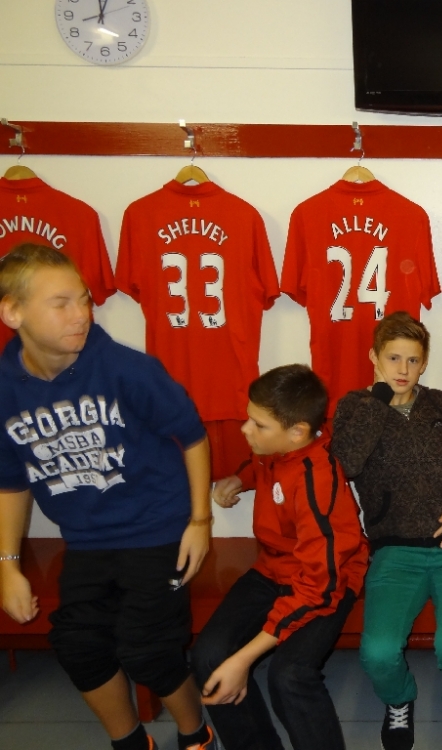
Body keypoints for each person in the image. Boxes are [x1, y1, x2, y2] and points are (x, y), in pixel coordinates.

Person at [0, 244, 215, 750]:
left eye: (84, 299)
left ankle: (196, 733)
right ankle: (130, 742)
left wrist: (199, 521)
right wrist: (7, 564)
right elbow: (11, 481)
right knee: (76, 645)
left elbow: (191, 435)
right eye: (61, 303)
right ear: (12, 312)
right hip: (87, 542)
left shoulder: (126, 368)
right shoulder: (5, 390)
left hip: (157, 530)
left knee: (148, 650)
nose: (81, 314)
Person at [192, 364, 369, 750]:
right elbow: (264, 465)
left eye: (258, 425)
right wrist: (240, 478)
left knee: (289, 677)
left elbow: (319, 587)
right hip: (272, 569)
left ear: (298, 432)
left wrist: (244, 659)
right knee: (208, 656)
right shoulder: (276, 446)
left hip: (327, 582)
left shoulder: (318, 481)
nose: (246, 430)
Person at [331, 311, 442, 750]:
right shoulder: (355, 407)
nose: (403, 369)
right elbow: (347, 463)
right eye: (393, 358)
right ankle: (400, 700)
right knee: (378, 654)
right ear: (374, 358)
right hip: (395, 551)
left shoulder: (436, 402)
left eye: (413, 360)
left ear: (424, 363)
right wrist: (380, 399)